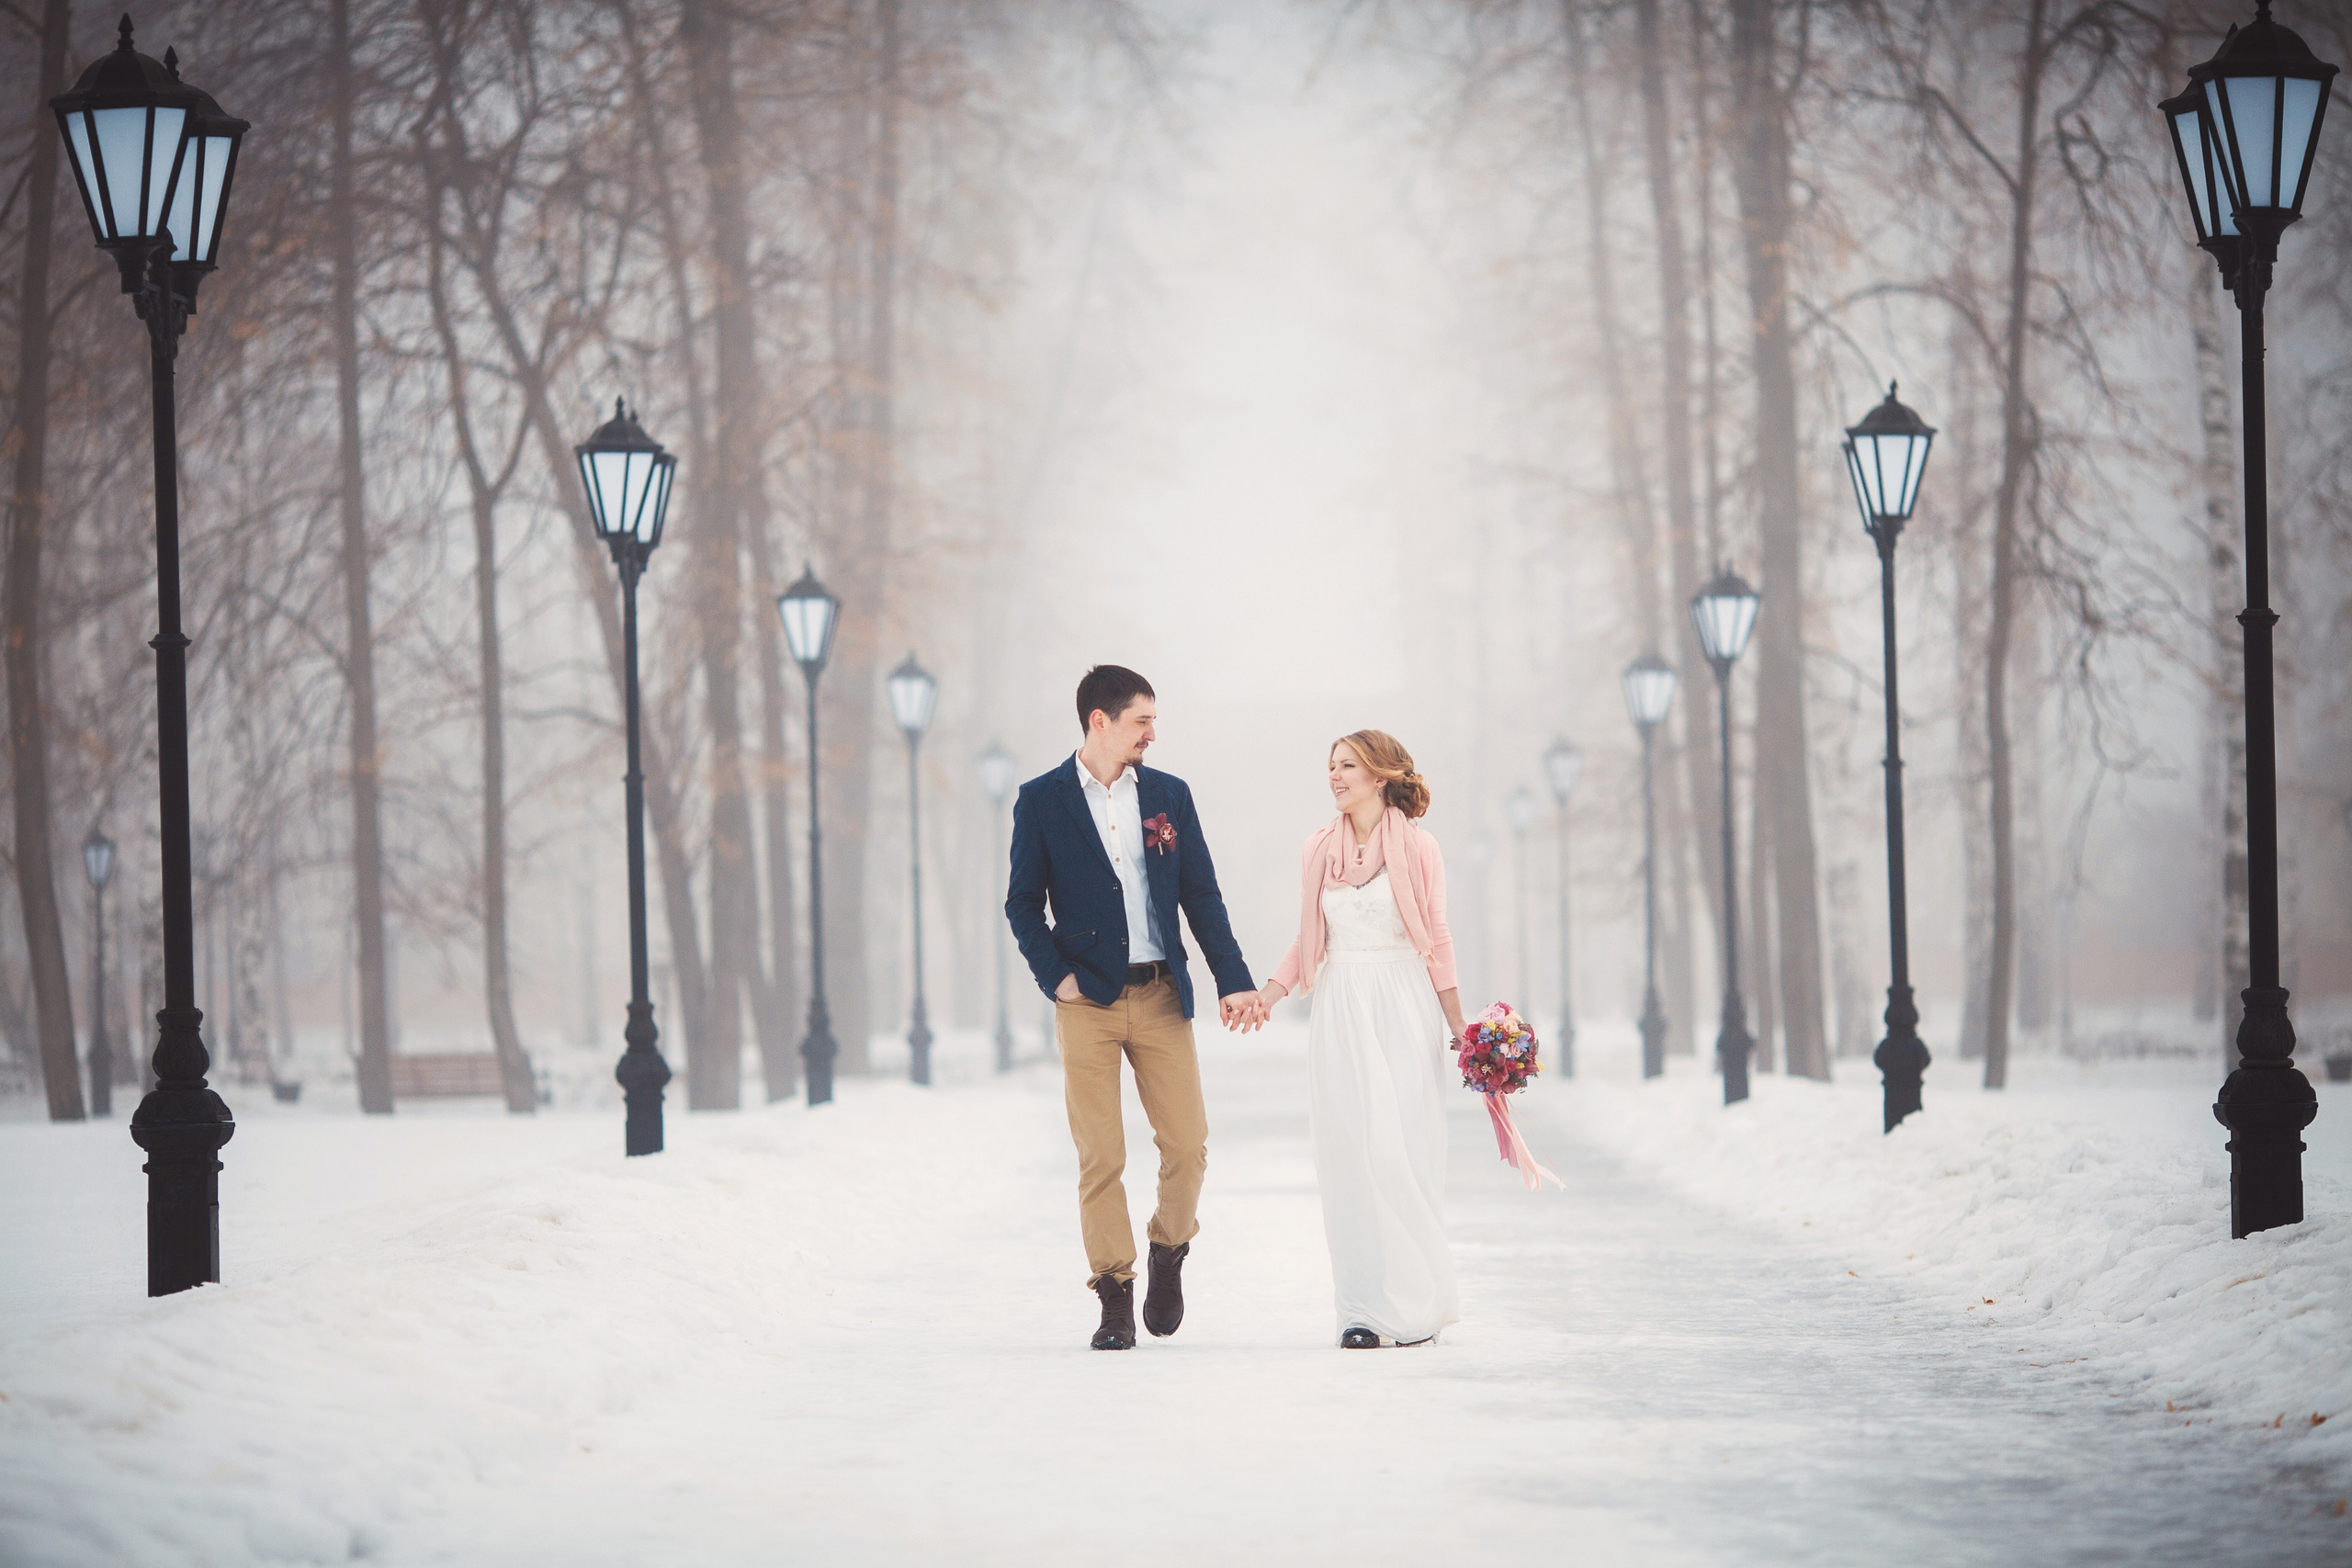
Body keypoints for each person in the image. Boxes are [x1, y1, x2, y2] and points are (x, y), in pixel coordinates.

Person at [1006, 666, 1263, 1350]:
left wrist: (1231, 977)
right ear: (1100, 720)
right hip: (1085, 1000)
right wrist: (1054, 976)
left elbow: (1201, 896)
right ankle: (1114, 1293)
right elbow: (1022, 902)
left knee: (1187, 1143)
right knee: (1101, 1155)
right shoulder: (1042, 800)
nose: (1153, 732)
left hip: (1159, 995)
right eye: (1141, 720)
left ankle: (1169, 1249)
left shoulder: (1169, 797)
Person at [1254, 729, 1464, 1348]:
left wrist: (1459, 1026)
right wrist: (1269, 992)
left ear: (1379, 775)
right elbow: (1307, 933)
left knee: (1400, 1149)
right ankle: (1362, 1310)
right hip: (1342, 1004)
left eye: (1347, 765)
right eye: (1331, 767)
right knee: (1350, 1154)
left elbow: (1439, 936)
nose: (1335, 776)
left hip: (1403, 1002)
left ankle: (1418, 1299)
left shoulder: (1420, 848)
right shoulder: (1318, 850)